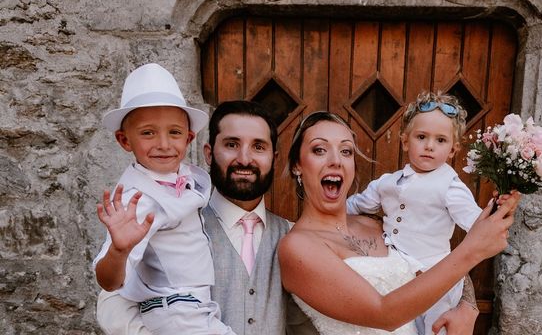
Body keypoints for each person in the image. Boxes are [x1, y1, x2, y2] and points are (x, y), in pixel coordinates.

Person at [278, 111, 520, 335]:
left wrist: (467, 304)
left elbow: (427, 260)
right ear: (298, 165)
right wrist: (472, 250)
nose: (336, 161)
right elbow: (383, 314)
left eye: (346, 151)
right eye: (319, 150)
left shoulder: (374, 223)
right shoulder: (298, 246)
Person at [96, 100, 320, 335]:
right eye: (232, 144)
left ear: (273, 158)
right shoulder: (171, 223)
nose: (244, 159)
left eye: (258, 147)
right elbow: (112, 306)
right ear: (209, 154)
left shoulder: (293, 237)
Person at [93, 63, 234, 334]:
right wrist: (119, 251)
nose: (164, 144)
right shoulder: (137, 200)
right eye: (148, 132)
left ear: (189, 138)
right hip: (176, 312)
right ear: (124, 140)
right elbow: (108, 282)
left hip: (194, 308)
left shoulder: (185, 177)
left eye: (174, 132)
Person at [346, 92, 481, 335]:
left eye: (441, 140)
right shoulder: (387, 183)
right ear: (405, 141)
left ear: (453, 149)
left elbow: (478, 226)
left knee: (433, 330)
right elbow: (357, 205)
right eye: (421, 137)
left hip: (436, 278)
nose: (430, 146)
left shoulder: (451, 187)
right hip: (396, 274)